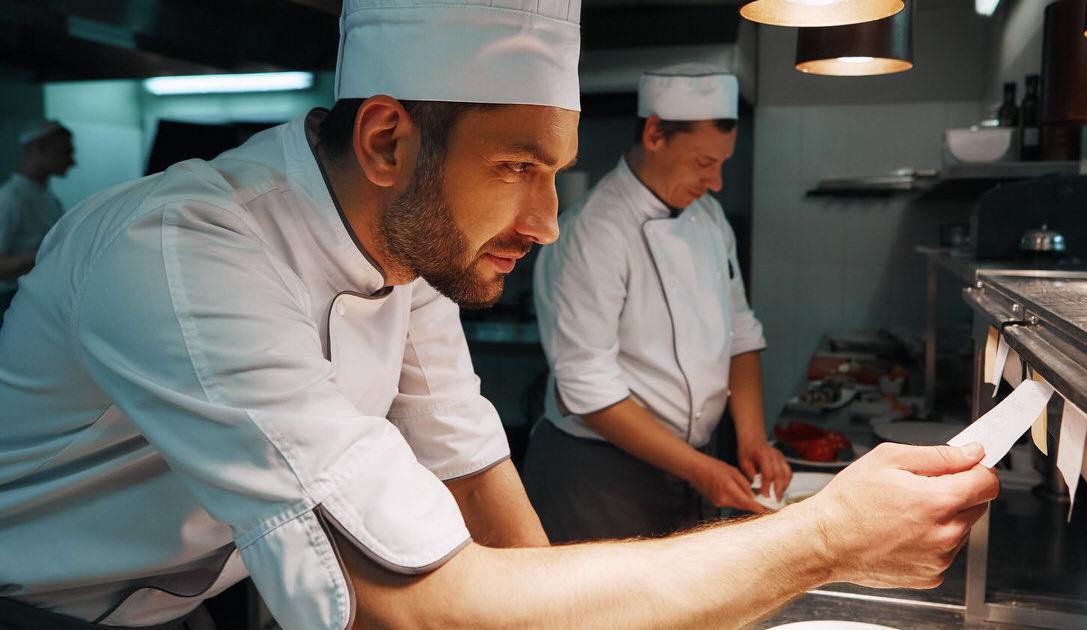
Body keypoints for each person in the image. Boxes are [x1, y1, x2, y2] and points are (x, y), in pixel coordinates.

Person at [0, 2, 997, 629]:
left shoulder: (410, 257)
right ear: (388, 140)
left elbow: (473, 465)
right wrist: (825, 539)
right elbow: (415, 605)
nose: (550, 221)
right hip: (58, 606)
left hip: (217, 581)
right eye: (519, 168)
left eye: (556, 174)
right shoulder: (182, 248)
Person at [524, 65, 790, 542]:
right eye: (704, 162)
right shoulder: (593, 231)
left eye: (723, 163)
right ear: (654, 134)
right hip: (599, 480)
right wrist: (699, 468)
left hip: (688, 469)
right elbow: (589, 389)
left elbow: (741, 331)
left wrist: (753, 438)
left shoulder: (707, 216)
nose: (717, 183)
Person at [0, 120, 73, 320]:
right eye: (65, 151)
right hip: (16, 301)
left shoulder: (47, 197)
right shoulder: (9, 199)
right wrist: (48, 249)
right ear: (42, 148)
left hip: (42, 297)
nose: (72, 161)